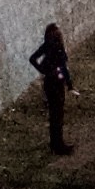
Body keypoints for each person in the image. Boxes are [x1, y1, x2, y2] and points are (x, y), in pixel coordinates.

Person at [30, 20, 72, 154]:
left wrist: (69, 84)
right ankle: (57, 144)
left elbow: (34, 59)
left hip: (54, 83)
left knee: (56, 114)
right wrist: (46, 71)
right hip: (53, 84)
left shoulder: (50, 46)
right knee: (56, 114)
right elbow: (33, 59)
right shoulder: (54, 47)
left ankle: (56, 143)